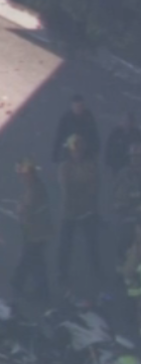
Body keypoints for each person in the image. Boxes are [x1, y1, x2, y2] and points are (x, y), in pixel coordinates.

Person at [57, 134, 104, 285]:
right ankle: (62, 273)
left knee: (92, 243)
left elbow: (94, 187)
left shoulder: (90, 165)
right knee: (65, 245)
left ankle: (97, 271)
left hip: (87, 210)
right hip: (69, 211)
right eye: (74, 151)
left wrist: (85, 199)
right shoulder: (64, 167)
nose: (77, 153)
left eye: (79, 151)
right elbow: (66, 189)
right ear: (70, 151)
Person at [10, 160, 52, 300]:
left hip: (36, 232)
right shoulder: (34, 187)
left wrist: (20, 209)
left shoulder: (35, 190)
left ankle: (38, 289)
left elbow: (29, 210)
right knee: (32, 258)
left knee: (33, 259)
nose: (22, 178)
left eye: (24, 175)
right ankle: (19, 282)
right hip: (34, 231)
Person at [111, 143, 141, 279]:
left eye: (139, 157)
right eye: (134, 157)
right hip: (126, 216)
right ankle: (122, 271)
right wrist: (123, 207)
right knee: (123, 244)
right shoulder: (123, 173)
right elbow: (117, 195)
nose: (136, 160)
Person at [52, 94, 100, 163]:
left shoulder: (88, 118)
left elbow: (94, 136)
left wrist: (95, 150)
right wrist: (55, 153)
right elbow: (59, 137)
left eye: (81, 106)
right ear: (72, 106)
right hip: (69, 154)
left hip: (86, 154)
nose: (79, 108)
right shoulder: (66, 119)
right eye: (77, 106)